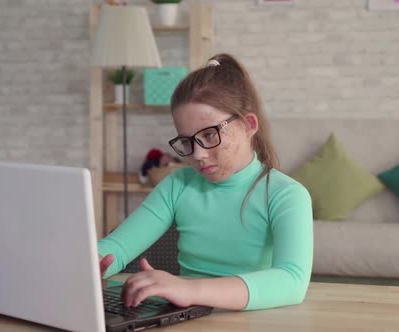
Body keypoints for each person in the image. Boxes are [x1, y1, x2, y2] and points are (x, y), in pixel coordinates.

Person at [97, 53, 313, 311]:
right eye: (186, 142)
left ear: (248, 125)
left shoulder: (287, 195)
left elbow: (291, 281)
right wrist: (86, 265)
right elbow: (118, 247)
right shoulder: (178, 184)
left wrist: (189, 290)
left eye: (210, 135)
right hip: (186, 318)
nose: (197, 155)